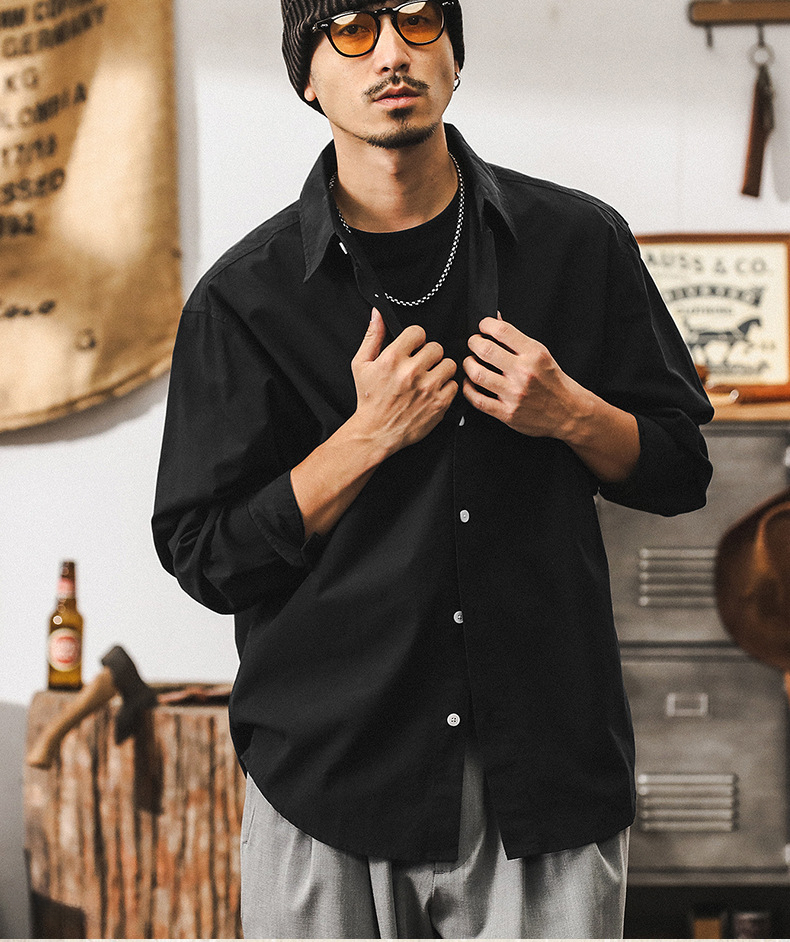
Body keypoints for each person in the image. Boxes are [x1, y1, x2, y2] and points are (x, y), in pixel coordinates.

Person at [152, 0, 714, 936]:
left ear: (454, 55)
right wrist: (364, 439)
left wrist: (570, 412)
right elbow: (205, 554)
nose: (391, 54)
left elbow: (680, 467)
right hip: (329, 778)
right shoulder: (244, 300)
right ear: (306, 76)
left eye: (417, 21)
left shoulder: (579, 243)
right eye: (351, 29)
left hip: (545, 771)